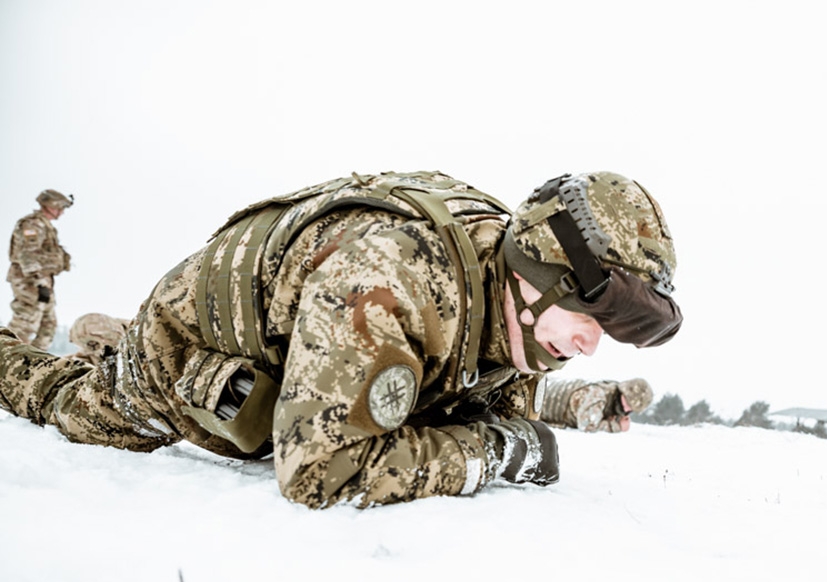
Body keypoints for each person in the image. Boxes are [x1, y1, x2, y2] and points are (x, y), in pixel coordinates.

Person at [0, 170, 681, 508]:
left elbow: (477, 401)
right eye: (590, 321)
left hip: (312, 339)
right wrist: (493, 455)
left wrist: (554, 412)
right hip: (187, 339)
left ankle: (99, 332)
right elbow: (321, 470)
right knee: (70, 400)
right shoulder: (392, 279)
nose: (594, 344)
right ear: (534, 278)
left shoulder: (514, 306)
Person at [7, 189, 74, 349]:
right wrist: (39, 282)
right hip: (30, 281)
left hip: (44, 281)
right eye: (60, 208)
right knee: (23, 325)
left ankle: (29, 366)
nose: (62, 212)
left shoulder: (45, 225)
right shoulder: (32, 224)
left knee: (48, 327)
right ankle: (5, 360)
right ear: (50, 206)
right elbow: (28, 254)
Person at [539, 377, 654, 433]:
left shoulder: (614, 399)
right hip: (539, 401)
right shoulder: (599, 394)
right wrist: (617, 427)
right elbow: (587, 426)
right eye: (627, 402)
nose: (627, 409)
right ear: (622, 392)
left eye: (632, 409)